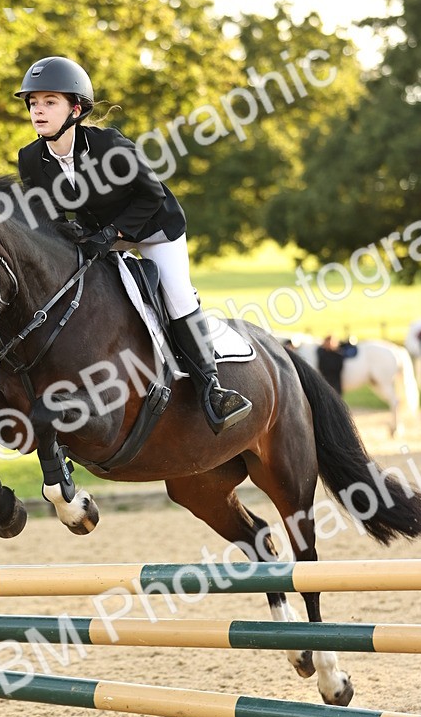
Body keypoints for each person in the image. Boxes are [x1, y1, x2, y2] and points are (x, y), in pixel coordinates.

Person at [14, 55, 252, 434]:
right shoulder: (30, 158)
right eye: (33, 103)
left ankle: (212, 388)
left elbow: (151, 195)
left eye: (49, 102)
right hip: (100, 236)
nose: (38, 111)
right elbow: (48, 216)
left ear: (75, 109)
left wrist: (113, 234)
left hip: (154, 227)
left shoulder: (108, 144)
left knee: (176, 295)